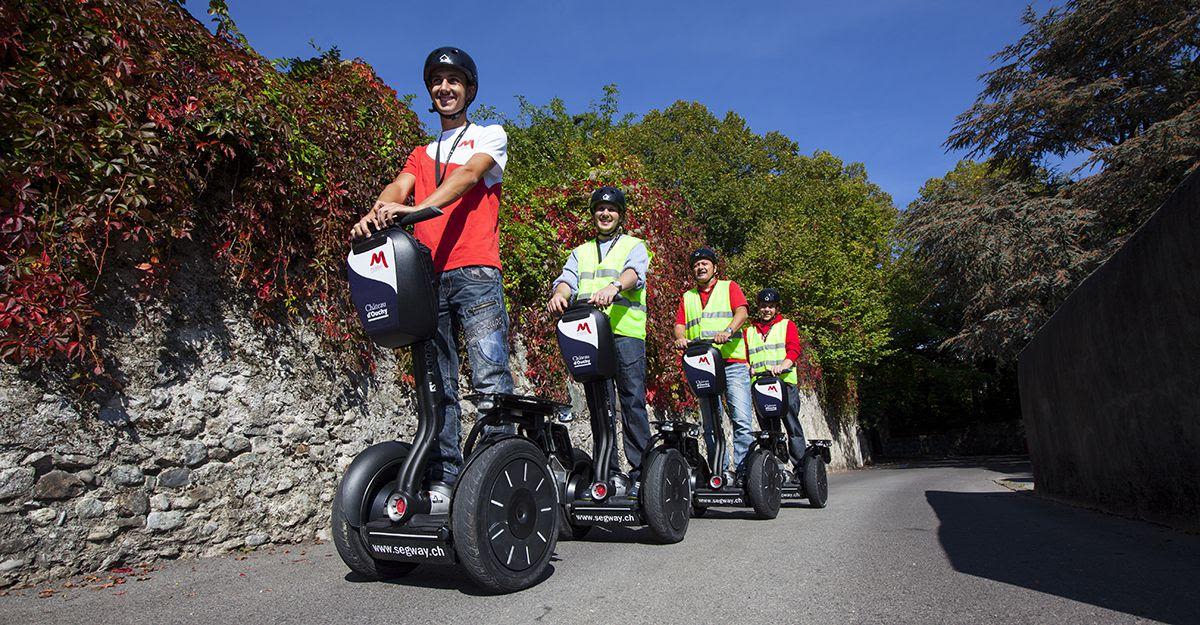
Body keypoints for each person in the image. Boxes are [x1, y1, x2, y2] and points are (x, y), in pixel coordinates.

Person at [350, 47, 512, 487]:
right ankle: (446, 479)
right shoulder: (421, 154)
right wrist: (377, 212)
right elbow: (396, 186)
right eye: (438, 81)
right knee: (437, 385)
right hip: (426, 279)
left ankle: (501, 472)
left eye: (454, 81)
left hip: (476, 271)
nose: (445, 88)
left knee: (490, 375)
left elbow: (469, 176)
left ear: (469, 90)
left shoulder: (489, 135)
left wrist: (418, 208)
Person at [548, 186, 654, 489]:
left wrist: (615, 286)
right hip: (590, 334)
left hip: (625, 333)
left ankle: (641, 473)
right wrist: (559, 295)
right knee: (599, 403)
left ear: (620, 216)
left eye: (611, 210)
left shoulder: (634, 245)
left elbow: (634, 273)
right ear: (594, 214)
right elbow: (567, 280)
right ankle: (607, 471)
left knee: (632, 400)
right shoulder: (580, 252)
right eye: (599, 209)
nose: (605, 214)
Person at [673, 247, 754, 480]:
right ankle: (720, 470)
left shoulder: (729, 287)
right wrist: (680, 338)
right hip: (704, 364)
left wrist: (728, 330)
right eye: (696, 265)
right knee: (710, 423)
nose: (700, 267)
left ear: (714, 267)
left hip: (731, 362)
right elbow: (680, 324)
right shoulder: (687, 297)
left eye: (705, 263)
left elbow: (742, 312)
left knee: (741, 420)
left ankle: (743, 471)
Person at [746, 287, 809, 476]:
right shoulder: (749, 331)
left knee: (791, 425)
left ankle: (800, 468)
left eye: (771, 306)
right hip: (761, 386)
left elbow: (794, 349)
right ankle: (773, 468)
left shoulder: (786, 325)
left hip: (784, 383)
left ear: (776, 308)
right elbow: (745, 355)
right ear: (759, 307)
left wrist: (784, 364)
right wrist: (748, 366)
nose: (767, 310)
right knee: (768, 429)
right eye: (764, 306)